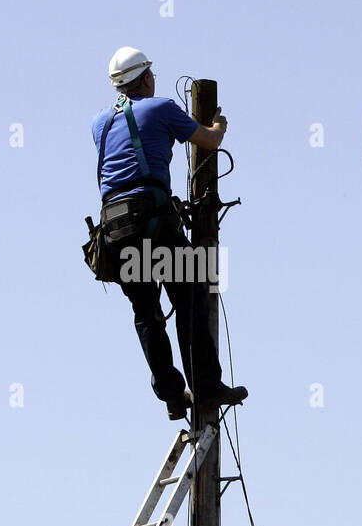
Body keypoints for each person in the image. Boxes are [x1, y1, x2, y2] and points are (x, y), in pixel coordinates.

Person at [93, 46, 248, 420]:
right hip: (151, 217)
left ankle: (172, 395)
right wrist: (219, 127)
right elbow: (209, 141)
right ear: (145, 78)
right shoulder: (160, 108)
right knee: (191, 295)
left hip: (114, 228)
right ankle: (206, 386)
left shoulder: (100, 122)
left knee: (147, 312)